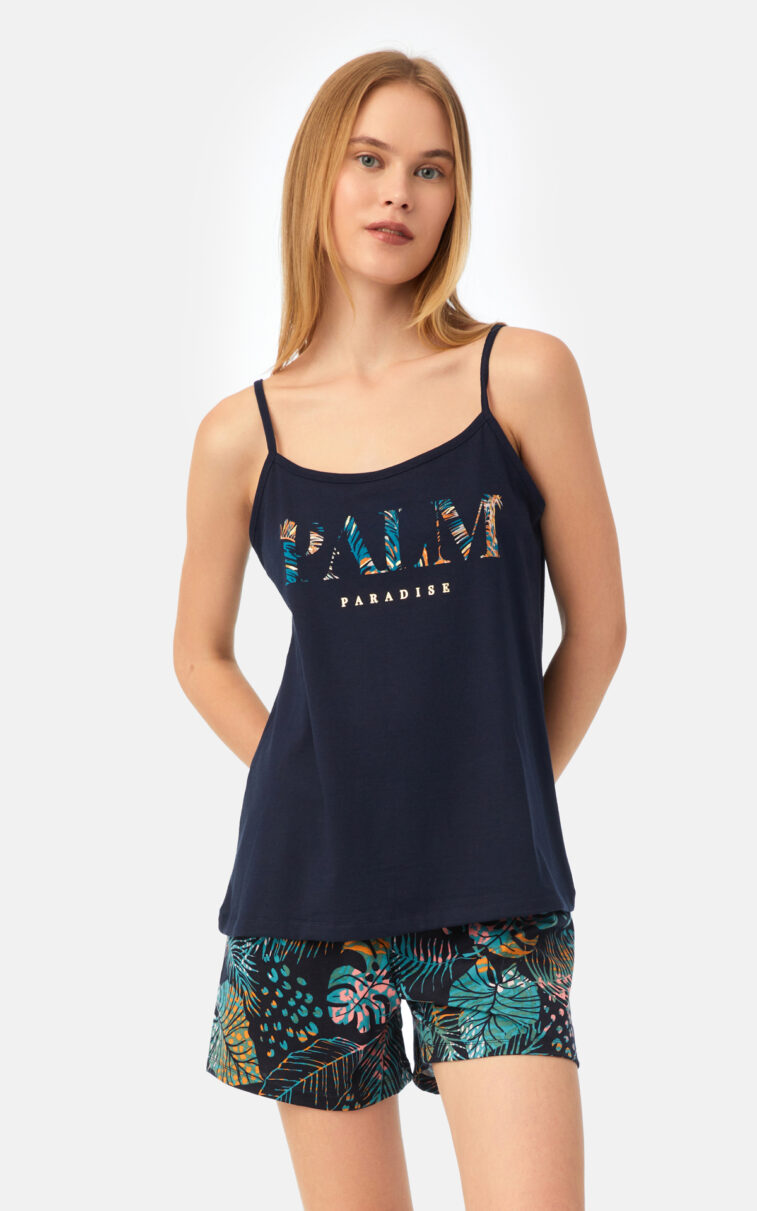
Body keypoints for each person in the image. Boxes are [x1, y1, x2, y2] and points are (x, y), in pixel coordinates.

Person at [173, 49, 625, 1211]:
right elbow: (198, 653)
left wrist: (493, 792)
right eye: (370, 159)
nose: (398, 193)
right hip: (306, 888)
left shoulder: (520, 377)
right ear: (317, 178)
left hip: (495, 890)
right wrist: (321, 782)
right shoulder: (241, 435)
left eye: (431, 168)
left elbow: (599, 628)